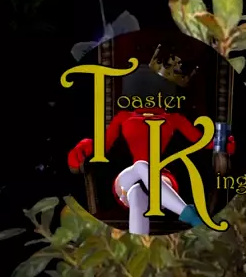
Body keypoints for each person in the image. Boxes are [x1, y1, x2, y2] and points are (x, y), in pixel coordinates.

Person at [67, 49, 235, 234]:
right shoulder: (124, 117)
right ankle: (188, 214)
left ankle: (145, 240)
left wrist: (223, 142)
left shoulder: (174, 118)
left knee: (137, 193)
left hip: (162, 179)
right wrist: (84, 147)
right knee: (138, 174)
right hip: (128, 178)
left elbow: (201, 141)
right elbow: (103, 145)